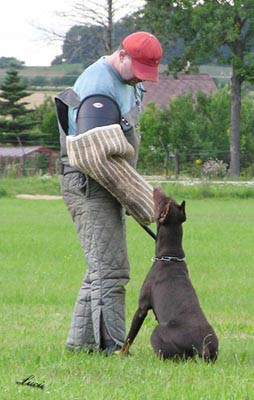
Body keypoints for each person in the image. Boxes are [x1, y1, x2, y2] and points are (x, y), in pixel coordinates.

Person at [56, 31, 163, 354]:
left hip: (107, 183)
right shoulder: (98, 88)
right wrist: (134, 195)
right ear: (122, 55)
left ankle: (81, 345)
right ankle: (112, 348)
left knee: (100, 268)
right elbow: (95, 156)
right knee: (112, 271)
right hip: (91, 184)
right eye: (138, 70)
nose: (140, 80)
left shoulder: (129, 82)